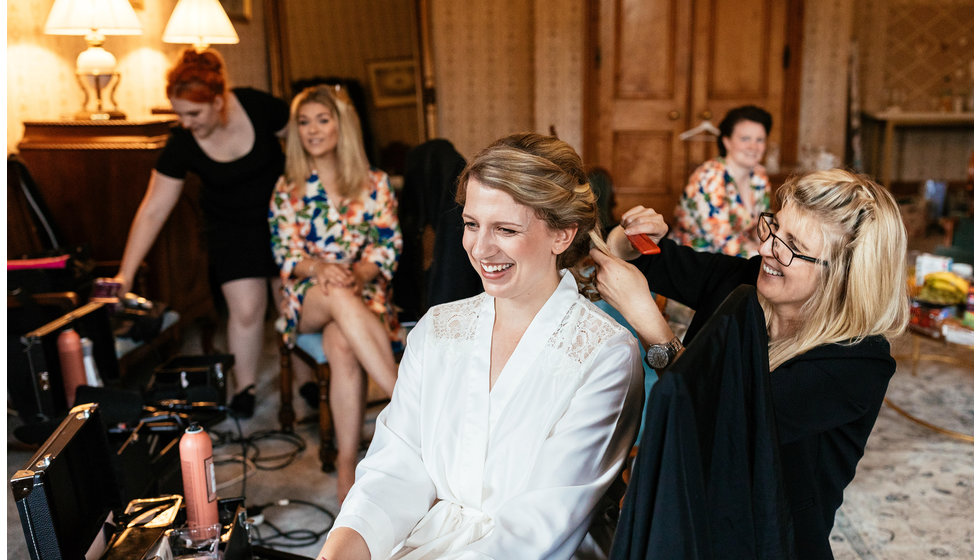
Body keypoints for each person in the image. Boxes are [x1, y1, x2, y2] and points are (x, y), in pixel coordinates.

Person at [317, 133, 644, 560]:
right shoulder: (438, 330)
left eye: (506, 229)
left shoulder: (605, 354)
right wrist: (341, 550)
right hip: (434, 539)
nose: (481, 248)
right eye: (472, 224)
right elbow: (394, 468)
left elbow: (540, 526)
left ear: (563, 234)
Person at [591, 169, 909, 558]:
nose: (769, 249)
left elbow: (718, 426)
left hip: (769, 541)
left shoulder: (856, 365)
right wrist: (627, 239)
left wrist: (655, 330)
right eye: (774, 228)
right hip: (690, 514)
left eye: (792, 245)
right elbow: (655, 261)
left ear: (844, 275)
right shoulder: (745, 283)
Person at [114, 48, 289, 418]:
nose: (186, 122)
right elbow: (153, 209)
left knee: (290, 304)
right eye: (179, 114)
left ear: (219, 99)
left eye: (193, 113)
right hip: (229, 228)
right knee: (247, 309)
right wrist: (124, 274)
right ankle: (246, 387)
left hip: (283, 220)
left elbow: (310, 140)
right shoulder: (181, 143)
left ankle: (303, 380)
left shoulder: (258, 106)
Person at [268, 84, 402, 504]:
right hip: (307, 296)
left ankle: (347, 464)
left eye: (322, 120)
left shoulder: (375, 183)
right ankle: (406, 399)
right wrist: (322, 268)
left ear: (341, 125)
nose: (312, 130)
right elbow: (285, 253)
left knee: (341, 343)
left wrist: (359, 272)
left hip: (362, 290)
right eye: (304, 122)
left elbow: (388, 244)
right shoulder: (287, 187)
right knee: (335, 293)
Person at [670, 105, 773, 257]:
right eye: (745, 139)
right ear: (727, 142)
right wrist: (765, 256)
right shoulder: (709, 176)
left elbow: (764, 228)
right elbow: (722, 241)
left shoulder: (759, 176)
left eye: (760, 140)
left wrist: (768, 247)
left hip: (737, 259)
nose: (753, 146)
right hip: (696, 260)